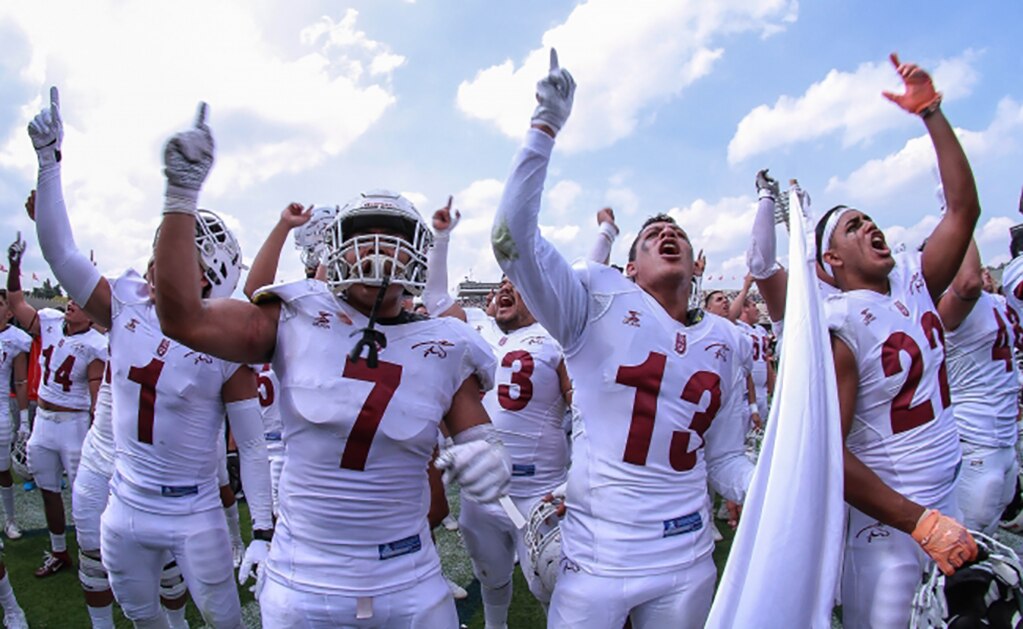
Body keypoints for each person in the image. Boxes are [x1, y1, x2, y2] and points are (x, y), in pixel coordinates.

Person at [150, 103, 510, 627]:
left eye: (392, 233)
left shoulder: (447, 341)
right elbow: (182, 317)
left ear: (418, 250)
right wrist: (181, 197)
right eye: (366, 231)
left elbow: (480, 439)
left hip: (408, 574)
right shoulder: (294, 312)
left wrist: (489, 461)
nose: (379, 247)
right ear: (336, 243)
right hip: (306, 574)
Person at [492, 49, 753, 629]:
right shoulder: (598, 297)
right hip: (599, 553)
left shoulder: (726, 339)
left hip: (688, 555)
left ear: (694, 264)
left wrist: (767, 483)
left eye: (677, 233)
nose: (668, 236)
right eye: (653, 234)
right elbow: (511, 239)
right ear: (629, 267)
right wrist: (545, 126)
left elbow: (726, 456)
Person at [27, 88, 273, 628]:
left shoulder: (221, 339)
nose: (163, 258)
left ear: (208, 275)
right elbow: (60, 252)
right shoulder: (125, 305)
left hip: (194, 508)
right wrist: (49, 162)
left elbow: (252, 443)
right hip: (125, 501)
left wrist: (264, 529)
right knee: (141, 616)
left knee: (223, 619)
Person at [820, 54, 980, 628]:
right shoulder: (840, 324)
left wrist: (932, 113)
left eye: (870, 218)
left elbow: (964, 209)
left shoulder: (913, 282)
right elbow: (828, 455)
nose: (869, 226)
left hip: (950, 497)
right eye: (852, 226)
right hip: (888, 528)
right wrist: (919, 521)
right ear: (832, 259)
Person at [424, 200, 572, 626]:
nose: (507, 288)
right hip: (483, 496)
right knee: (490, 578)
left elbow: (580, 402)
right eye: (503, 283)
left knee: (553, 582)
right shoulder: (477, 330)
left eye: (518, 285)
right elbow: (435, 298)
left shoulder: (556, 336)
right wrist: (442, 236)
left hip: (540, 493)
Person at [6, 232, 106, 579]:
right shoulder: (48, 322)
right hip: (44, 423)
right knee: (48, 489)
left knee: (85, 497)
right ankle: (59, 551)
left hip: (74, 424)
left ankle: (95, 555)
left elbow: (96, 398)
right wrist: (15, 264)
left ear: (93, 316)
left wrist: (98, 433)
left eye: (80, 301)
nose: (72, 303)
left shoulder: (95, 345)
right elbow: (17, 302)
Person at [939, 240, 1020, 534]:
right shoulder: (946, 307)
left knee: (990, 540)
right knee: (967, 551)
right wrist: (955, 211)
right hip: (975, 443)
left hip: (1004, 442)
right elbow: (969, 281)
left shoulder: (997, 303)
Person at [0, 288, 31, 539]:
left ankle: (10, 520)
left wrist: (24, 419)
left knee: (2, 469)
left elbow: (20, 381)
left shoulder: (16, 339)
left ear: (9, 311)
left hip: (1, 408)